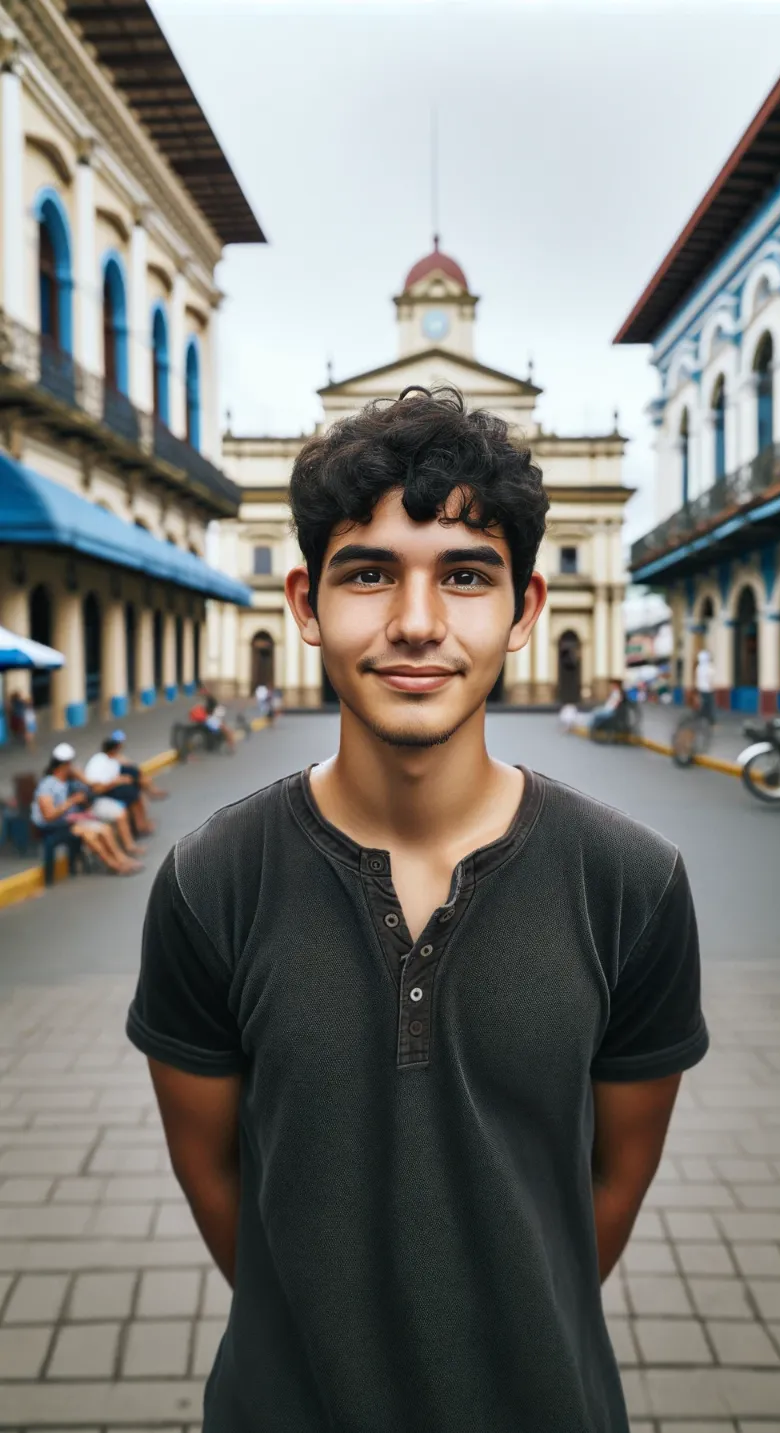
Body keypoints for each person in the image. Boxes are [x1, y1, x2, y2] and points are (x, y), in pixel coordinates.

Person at [126, 386, 708, 1433]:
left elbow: (612, 1186)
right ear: (305, 603)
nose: (416, 623)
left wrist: (508, 1323)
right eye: (369, 572)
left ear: (527, 610)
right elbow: (213, 1174)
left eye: (468, 575)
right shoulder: (210, 882)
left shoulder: (635, 883)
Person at [32, 744, 142, 876]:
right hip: (54, 825)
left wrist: (81, 777)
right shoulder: (47, 785)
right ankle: (114, 865)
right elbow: (48, 815)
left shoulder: (69, 781)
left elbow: (92, 787)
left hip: (69, 820)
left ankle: (122, 860)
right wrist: (71, 801)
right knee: (90, 835)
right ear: (64, 766)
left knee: (105, 830)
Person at [82, 736, 149, 853]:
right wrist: (117, 781)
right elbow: (97, 788)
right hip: (98, 797)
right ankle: (130, 845)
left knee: (134, 792)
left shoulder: (111, 759)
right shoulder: (98, 762)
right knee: (121, 812)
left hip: (108, 791)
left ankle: (140, 825)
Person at [694, 648, 716, 724]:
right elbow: (711, 677)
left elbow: (698, 679)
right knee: (709, 704)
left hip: (702, 688)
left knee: (704, 703)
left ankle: (703, 716)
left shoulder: (699, 668)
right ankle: (708, 718)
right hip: (708, 689)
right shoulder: (709, 667)